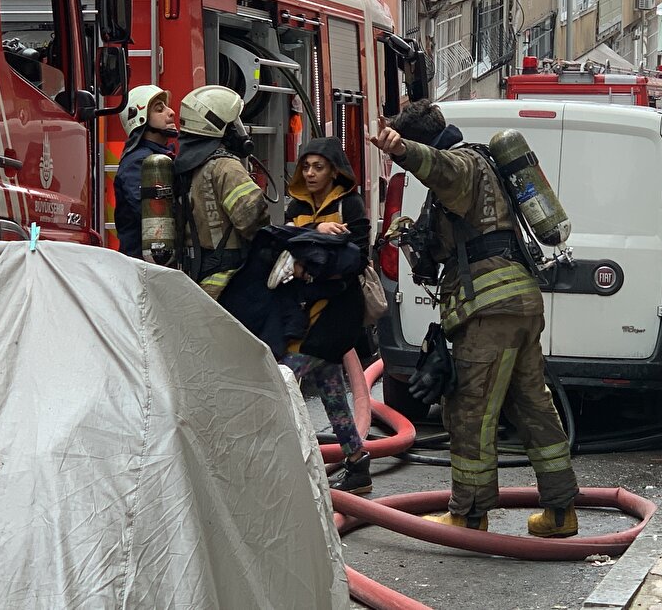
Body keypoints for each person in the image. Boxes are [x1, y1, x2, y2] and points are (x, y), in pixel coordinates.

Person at [369, 100, 580, 537]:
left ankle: (468, 514)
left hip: (489, 307)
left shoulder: (462, 166)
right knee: (532, 406)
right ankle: (561, 512)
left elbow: (439, 167)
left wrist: (401, 150)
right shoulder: (486, 166)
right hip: (518, 300)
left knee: (470, 411)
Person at [282, 137, 373, 494]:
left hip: (337, 312)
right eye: (306, 167)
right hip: (304, 311)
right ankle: (357, 463)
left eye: (318, 167)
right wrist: (316, 232)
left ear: (334, 170)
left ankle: (283, 465)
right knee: (332, 390)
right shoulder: (296, 207)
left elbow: (357, 255)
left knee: (284, 379)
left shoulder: (349, 205)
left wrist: (308, 257)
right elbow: (281, 243)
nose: (310, 173)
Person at [172, 85, 269, 300]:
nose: (239, 129)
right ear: (216, 125)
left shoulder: (185, 166)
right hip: (230, 282)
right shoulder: (226, 167)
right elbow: (252, 219)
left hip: (196, 279)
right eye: (234, 123)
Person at [113, 85, 177, 257]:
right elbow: (154, 214)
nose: (171, 112)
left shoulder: (162, 157)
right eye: (159, 109)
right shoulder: (138, 163)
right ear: (140, 119)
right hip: (144, 269)